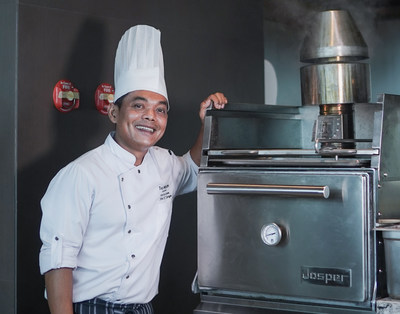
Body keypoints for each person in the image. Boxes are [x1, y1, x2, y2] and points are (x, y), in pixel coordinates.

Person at [39, 24, 227, 314]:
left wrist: (207, 123)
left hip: (142, 308)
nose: (150, 117)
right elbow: (58, 261)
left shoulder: (164, 164)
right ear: (115, 112)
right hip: (91, 308)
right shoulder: (81, 174)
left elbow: (192, 169)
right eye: (139, 106)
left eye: (160, 109)